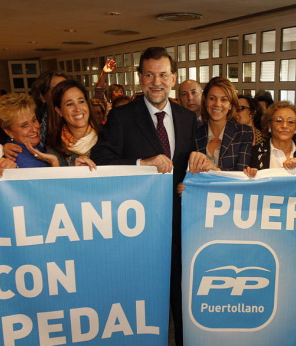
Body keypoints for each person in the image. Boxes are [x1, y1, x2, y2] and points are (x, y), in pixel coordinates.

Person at [90, 47, 206, 346]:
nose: (157, 82)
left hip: (182, 226)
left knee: (182, 297)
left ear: (174, 78)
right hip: (137, 227)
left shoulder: (186, 117)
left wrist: (197, 167)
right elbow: (102, 158)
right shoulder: (121, 116)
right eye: (150, 75)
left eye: (163, 75)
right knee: (141, 299)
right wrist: (143, 163)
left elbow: (189, 163)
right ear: (140, 78)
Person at [244, 101, 296, 178]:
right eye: (279, 120)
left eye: (291, 122)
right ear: (269, 125)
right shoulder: (253, 153)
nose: (284, 125)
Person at [195, 77, 253, 171]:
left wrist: (216, 170)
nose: (217, 104)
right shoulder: (195, 133)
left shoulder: (244, 133)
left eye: (224, 100)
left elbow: (240, 176)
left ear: (230, 104)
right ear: (205, 101)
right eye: (212, 98)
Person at [0, 93, 62, 171]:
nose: (34, 129)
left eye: (34, 120)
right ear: (9, 132)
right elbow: (52, 183)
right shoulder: (24, 160)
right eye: (24, 126)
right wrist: (54, 161)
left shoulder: (32, 149)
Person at [46, 80, 100, 167]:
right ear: (59, 111)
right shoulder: (54, 149)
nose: (77, 109)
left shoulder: (107, 137)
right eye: (70, 104)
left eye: (81, 101)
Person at [30, 70, 69, 145]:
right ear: (42, 96)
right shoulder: (34, 120)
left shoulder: (77, 118)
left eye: (66, 88)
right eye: (56, 89)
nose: (63, 93)